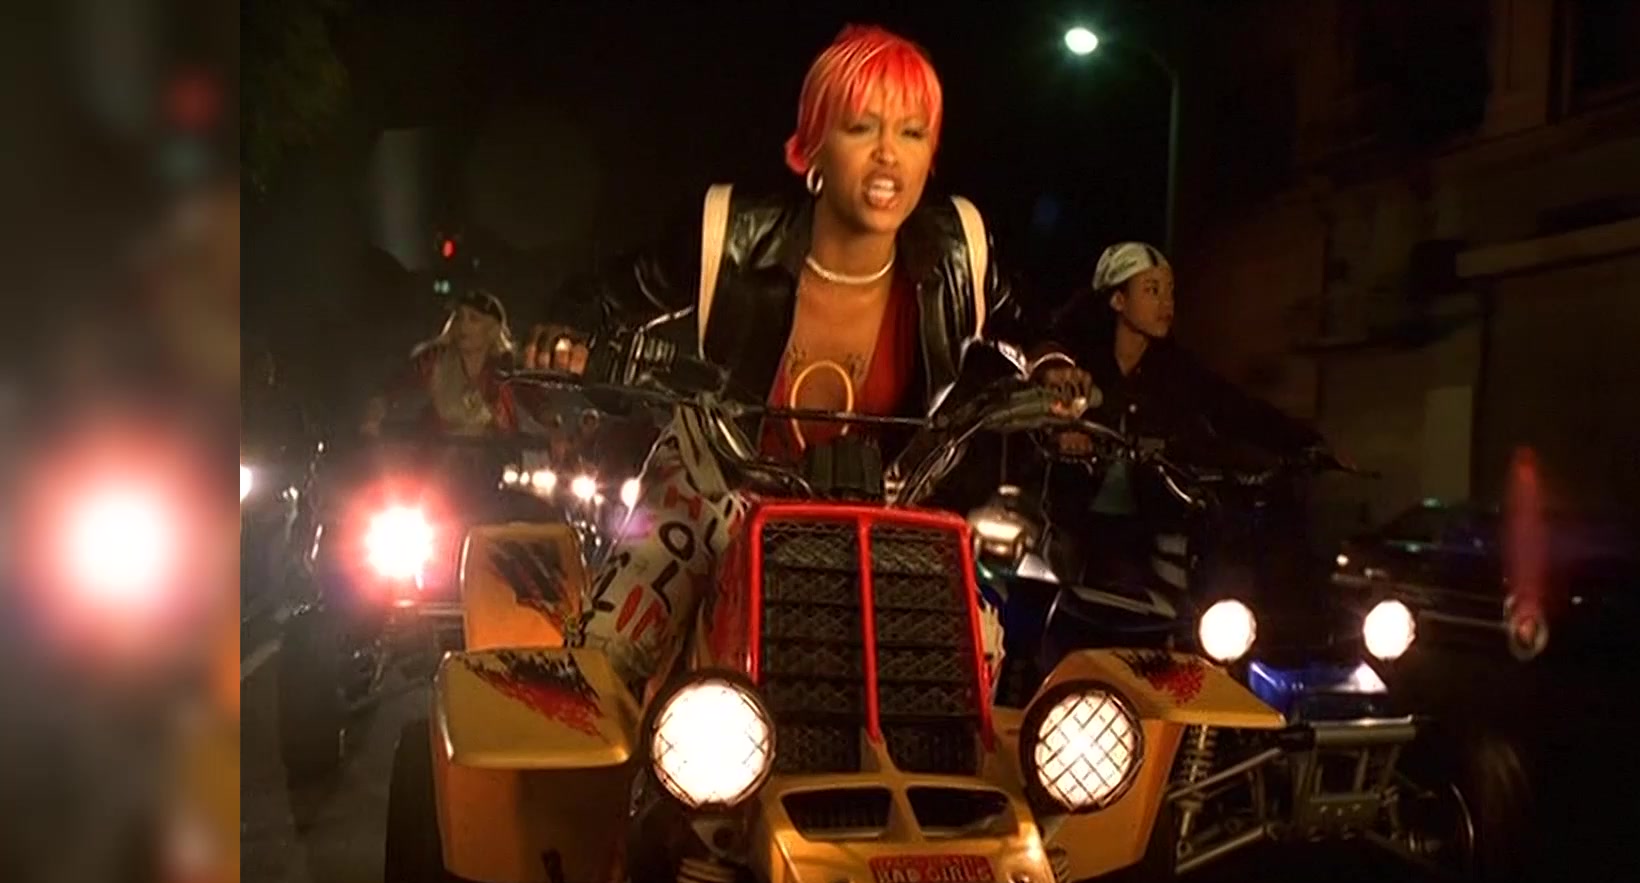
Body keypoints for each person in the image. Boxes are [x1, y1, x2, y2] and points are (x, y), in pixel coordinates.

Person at [519, 24, 1086, 691]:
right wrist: (568, 340)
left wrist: (1053, 370)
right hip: (716, 489)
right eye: (861, 128)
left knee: (973, 653)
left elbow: (1028, 323)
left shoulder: (962, 248)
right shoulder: (728, 231)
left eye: (912, 132)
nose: (888, 155)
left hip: (883, 504)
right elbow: (608, 296)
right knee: (607, 652)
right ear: (813, 144)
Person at [1039, 241, 1329, 587]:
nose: (1166, 303)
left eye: (1170, 292)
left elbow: (1233, 406)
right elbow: (1039, 393)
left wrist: (1305, 442)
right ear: (1118, 300)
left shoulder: (1174, 369)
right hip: (1074, 517)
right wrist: (1064, 432)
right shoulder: (1073, 359)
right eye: (1152, 290)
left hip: (1145, 525)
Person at [360, 289, 521, 437]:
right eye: (459, 317)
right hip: (438, 452)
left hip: (492, 454)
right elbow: (394, 386)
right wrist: (374, 414)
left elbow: (526, 405)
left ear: (492, 329)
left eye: (474, 319)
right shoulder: (433, 360)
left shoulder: (505, 368)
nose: (463, 325)